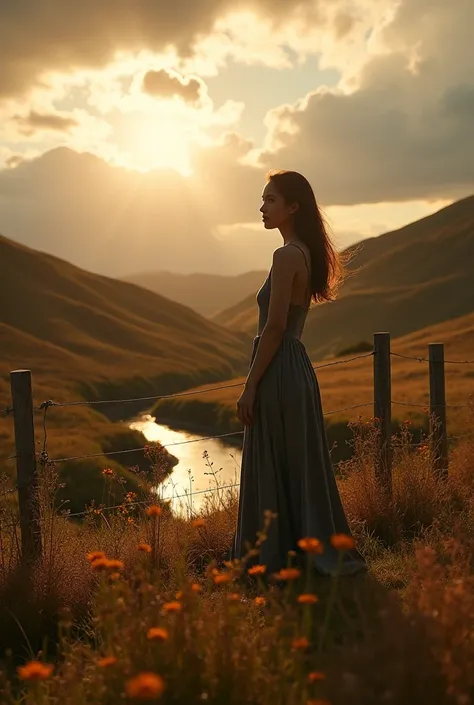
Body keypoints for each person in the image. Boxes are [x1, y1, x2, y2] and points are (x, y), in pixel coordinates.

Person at [231, 170, 366, 577]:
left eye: (270, 200)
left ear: (293, 207)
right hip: (296, 367)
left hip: (278, 367)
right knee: (295, 460)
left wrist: (249, 385)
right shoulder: (305, 251)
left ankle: (273, 556)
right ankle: (297, 550)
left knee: (274, 457)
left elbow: (273, 328)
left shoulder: (286, 255)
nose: (262, 207)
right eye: (263, 199)